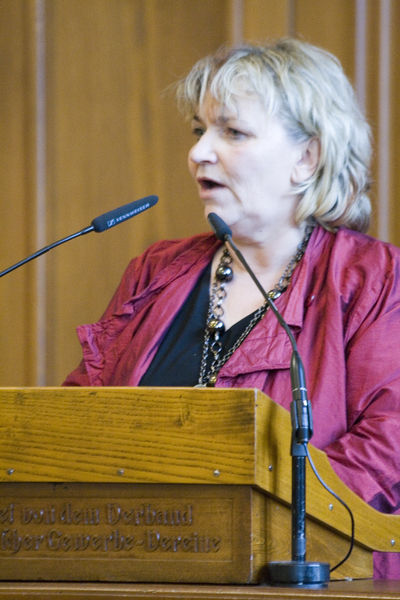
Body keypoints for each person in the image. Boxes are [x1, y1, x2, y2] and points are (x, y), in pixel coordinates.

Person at [64, 38, 400, 579]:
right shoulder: (155, 273)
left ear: (306, 158)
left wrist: (228, 528)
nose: (198, 152)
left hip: (308, 580)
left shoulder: (372, 280)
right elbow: (78, 424)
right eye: (200, 131)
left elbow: (385, 450)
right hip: (138, 574)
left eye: (233, 132)